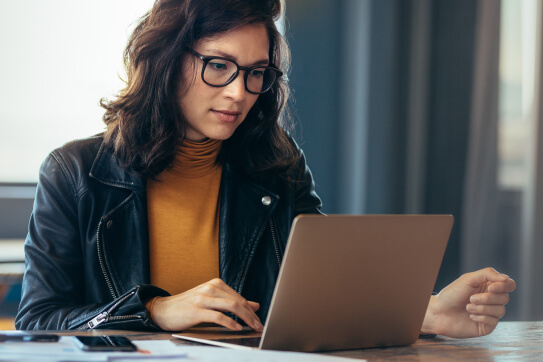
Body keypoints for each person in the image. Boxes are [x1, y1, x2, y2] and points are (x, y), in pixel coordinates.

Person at [15, 0, 515, 338]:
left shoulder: (276, 164)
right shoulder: (76, 172)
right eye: (218, 65)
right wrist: (153, 311)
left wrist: (425, 312)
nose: (239, 92)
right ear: (166, 60)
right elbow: (39, 321)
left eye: (256, 73)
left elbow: (322, 295)